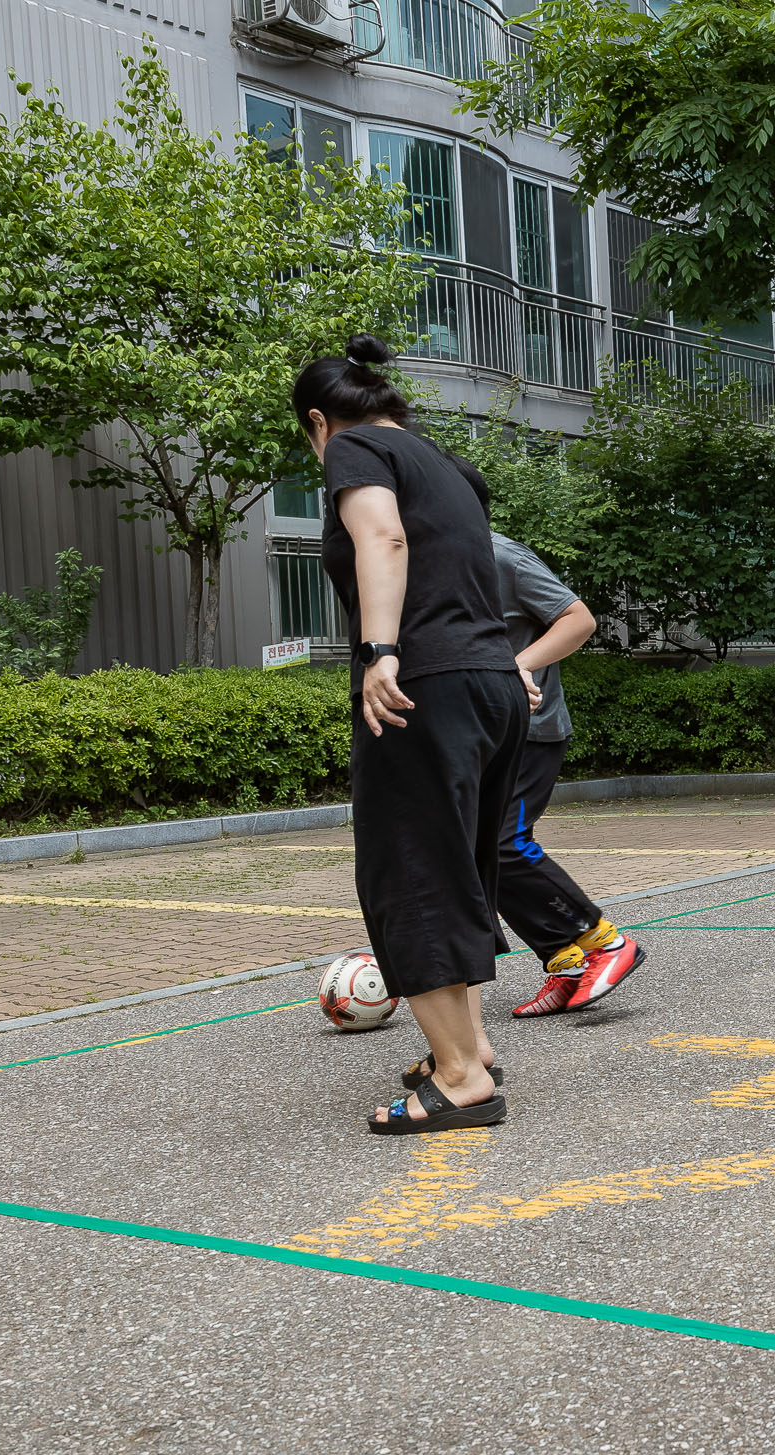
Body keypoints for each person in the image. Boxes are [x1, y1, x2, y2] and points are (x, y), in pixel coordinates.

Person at [296, 335, 522, 1135]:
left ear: (319, 421)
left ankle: (460, 1078)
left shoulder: (351, 448)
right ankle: (472, 1046)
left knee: (410, 872)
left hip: (422, 684)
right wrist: (494, 663)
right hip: (489, 682)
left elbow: (383, 541)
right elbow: (465, 568)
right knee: (456, 866)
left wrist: (381, 650)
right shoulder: (447, 465)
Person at [488, 533, 649, 1017]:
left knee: (504, 843)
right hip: (481, 734)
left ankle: (607, 942)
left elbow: (579, 620)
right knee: (482, 855)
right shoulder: (427, 563)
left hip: (529, 730)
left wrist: (514, 668)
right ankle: (566, 965)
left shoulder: (501, 556)